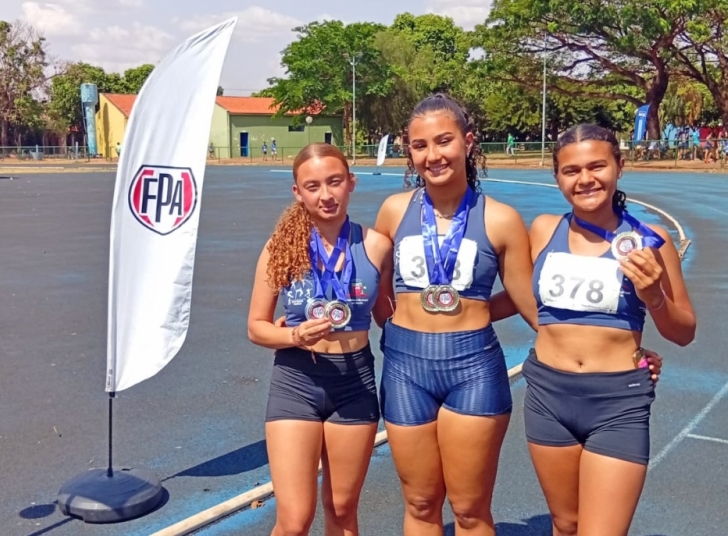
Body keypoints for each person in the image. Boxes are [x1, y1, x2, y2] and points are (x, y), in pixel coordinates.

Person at [373, 94, 538, 535]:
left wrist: (615, 353)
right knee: (421, 502)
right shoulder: (393, 211)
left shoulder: (501, 219)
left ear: (468, 142)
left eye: (443, 141)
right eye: (420, 145)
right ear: (409, 151)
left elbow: (528, 301)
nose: (433, 155)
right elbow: (372, 285)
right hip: (405, 367)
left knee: (468, 509)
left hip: (473, 368)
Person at [524, 124, 696, 535]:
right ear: (557, 177)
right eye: (571, 170)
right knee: (565, 525)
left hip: (618, 402)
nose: (585, 179)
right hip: (548, 396)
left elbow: (684, 331)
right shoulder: (543, 230)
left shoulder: (651, 241)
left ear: (619, 165)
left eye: (597, 166)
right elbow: (515, 297)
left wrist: (653, 296)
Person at [247, 142, 394, 536]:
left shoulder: (377, 246)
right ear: (298, 192)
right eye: (313, 186)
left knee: (342, 510)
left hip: (354, 382)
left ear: (351, 182)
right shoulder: (280, 248)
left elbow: (389, 316)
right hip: (297, 380)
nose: (326, 195)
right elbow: (256, 326)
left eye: (335, 182)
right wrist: (293, 334)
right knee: (294, 520)